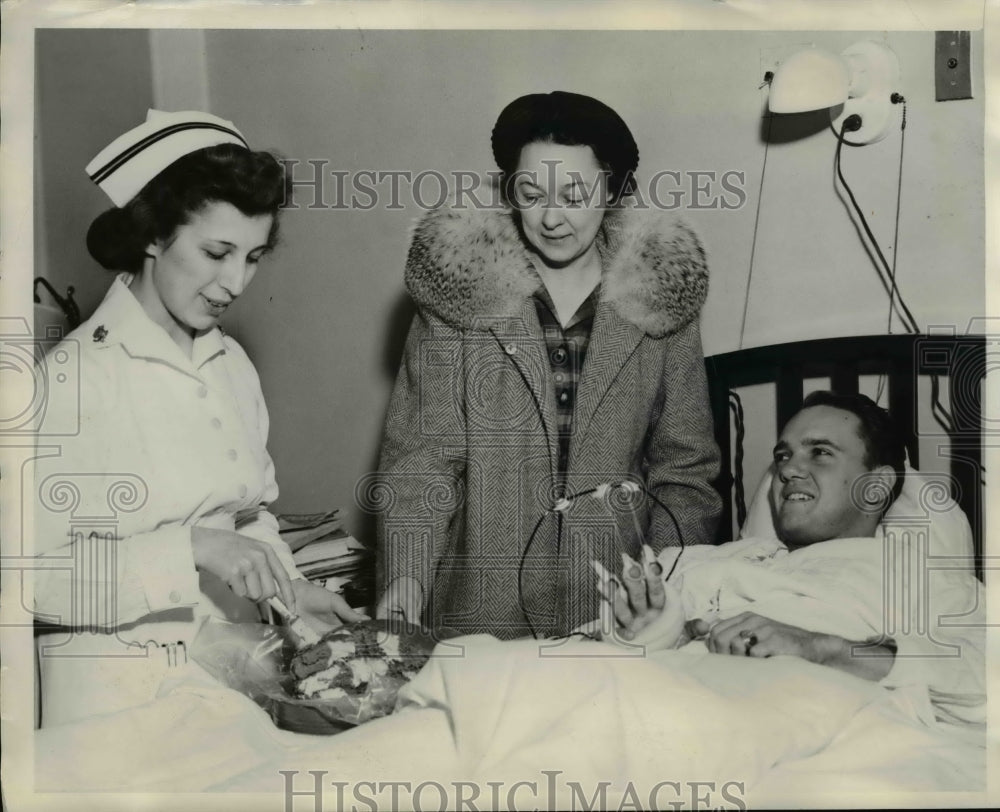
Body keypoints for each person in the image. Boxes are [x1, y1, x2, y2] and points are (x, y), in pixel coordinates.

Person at [32, 110, 366, 727]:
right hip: (121, 701)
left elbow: (247, 517)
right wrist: (189, 547)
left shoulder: (230, 362)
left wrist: (292, 594)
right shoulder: (71, 379)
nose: (235, 282)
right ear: (153, 236)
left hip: (232, 672)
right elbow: (35, 577)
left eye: (254, 257)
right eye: (217, 252)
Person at [375, 91, 721, 639]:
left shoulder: (660, 297)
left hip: (615, 613)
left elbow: (685, 473)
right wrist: (407, 578)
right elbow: (422, 463)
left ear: (613, 189)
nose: (551, 218)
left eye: (575, 194)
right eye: (532, 193)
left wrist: (668, 588)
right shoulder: (459, 293)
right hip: (479, 614)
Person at [599, 392, 984, 722]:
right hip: (643, 699)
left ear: (875, 487)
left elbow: (984, 677)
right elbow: (591, 651)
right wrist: (643, 634)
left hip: (779, 717)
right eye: (783, 455)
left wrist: (821, 648)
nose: (788, 469)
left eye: (820, 453)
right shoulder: (691, 561)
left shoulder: (920, 578)